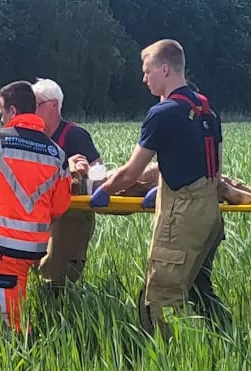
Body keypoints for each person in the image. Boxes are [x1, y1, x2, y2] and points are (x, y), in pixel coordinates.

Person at [94, 39, 224, 337]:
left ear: (165, 69)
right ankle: (225, 344)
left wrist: (105, 191)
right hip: (210, 214)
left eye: (147, 71)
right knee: (199, 290)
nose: (144, 78)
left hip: (181, 217)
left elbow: (131, 172)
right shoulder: (206, 108)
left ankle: (172, 362)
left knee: (161, 298)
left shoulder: (163, 113)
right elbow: (209, 165)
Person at [0, 81, 71, 333]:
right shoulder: (57, 153)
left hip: (6, 243)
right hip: (34, 245)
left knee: (10, 320)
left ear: (12, 111)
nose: (1, 119)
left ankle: (22, 349)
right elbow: (61, 205)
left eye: (2, 112)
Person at [31, 78, 102, 292]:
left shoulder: (74, 135)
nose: (31, 111)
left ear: (53, 105)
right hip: (43, 217)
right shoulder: (34, 138)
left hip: (71, 218)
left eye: (35, 105)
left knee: (58, 277)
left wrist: (76, 170)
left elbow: (97, 173)